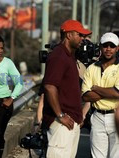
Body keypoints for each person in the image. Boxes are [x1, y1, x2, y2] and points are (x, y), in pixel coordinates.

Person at [42, 19, 91, 158]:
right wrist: (60, 115)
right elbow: (50, 86)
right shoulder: (59, 56)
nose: (83, 39)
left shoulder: (69, 56)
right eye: (80, 35)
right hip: (61, 123)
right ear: (69, 35)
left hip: (71, 121)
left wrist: (78, 115)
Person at [82, 32, 119, 158]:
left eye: (112, 46)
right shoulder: (91, 68)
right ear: (100, 47)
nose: (108, 49)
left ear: (117, 48)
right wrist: (111, 92)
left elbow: (117, 93)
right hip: (97, 116)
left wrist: (96, 88)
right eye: (105, 45)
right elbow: (86, 96)